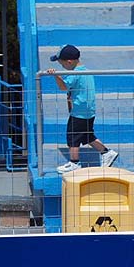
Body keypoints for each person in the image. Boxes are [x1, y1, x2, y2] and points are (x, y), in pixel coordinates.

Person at [48, 45, 120, 174]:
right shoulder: (86, 71)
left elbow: (63, 87)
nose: (62, 67)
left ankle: (74, 163)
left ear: (69, 62)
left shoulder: (74, 74)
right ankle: (106, 152)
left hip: (79, 112)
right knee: (87, 136)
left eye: (62, 64)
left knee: (72, 137)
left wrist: (55, 76)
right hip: (89, 111)